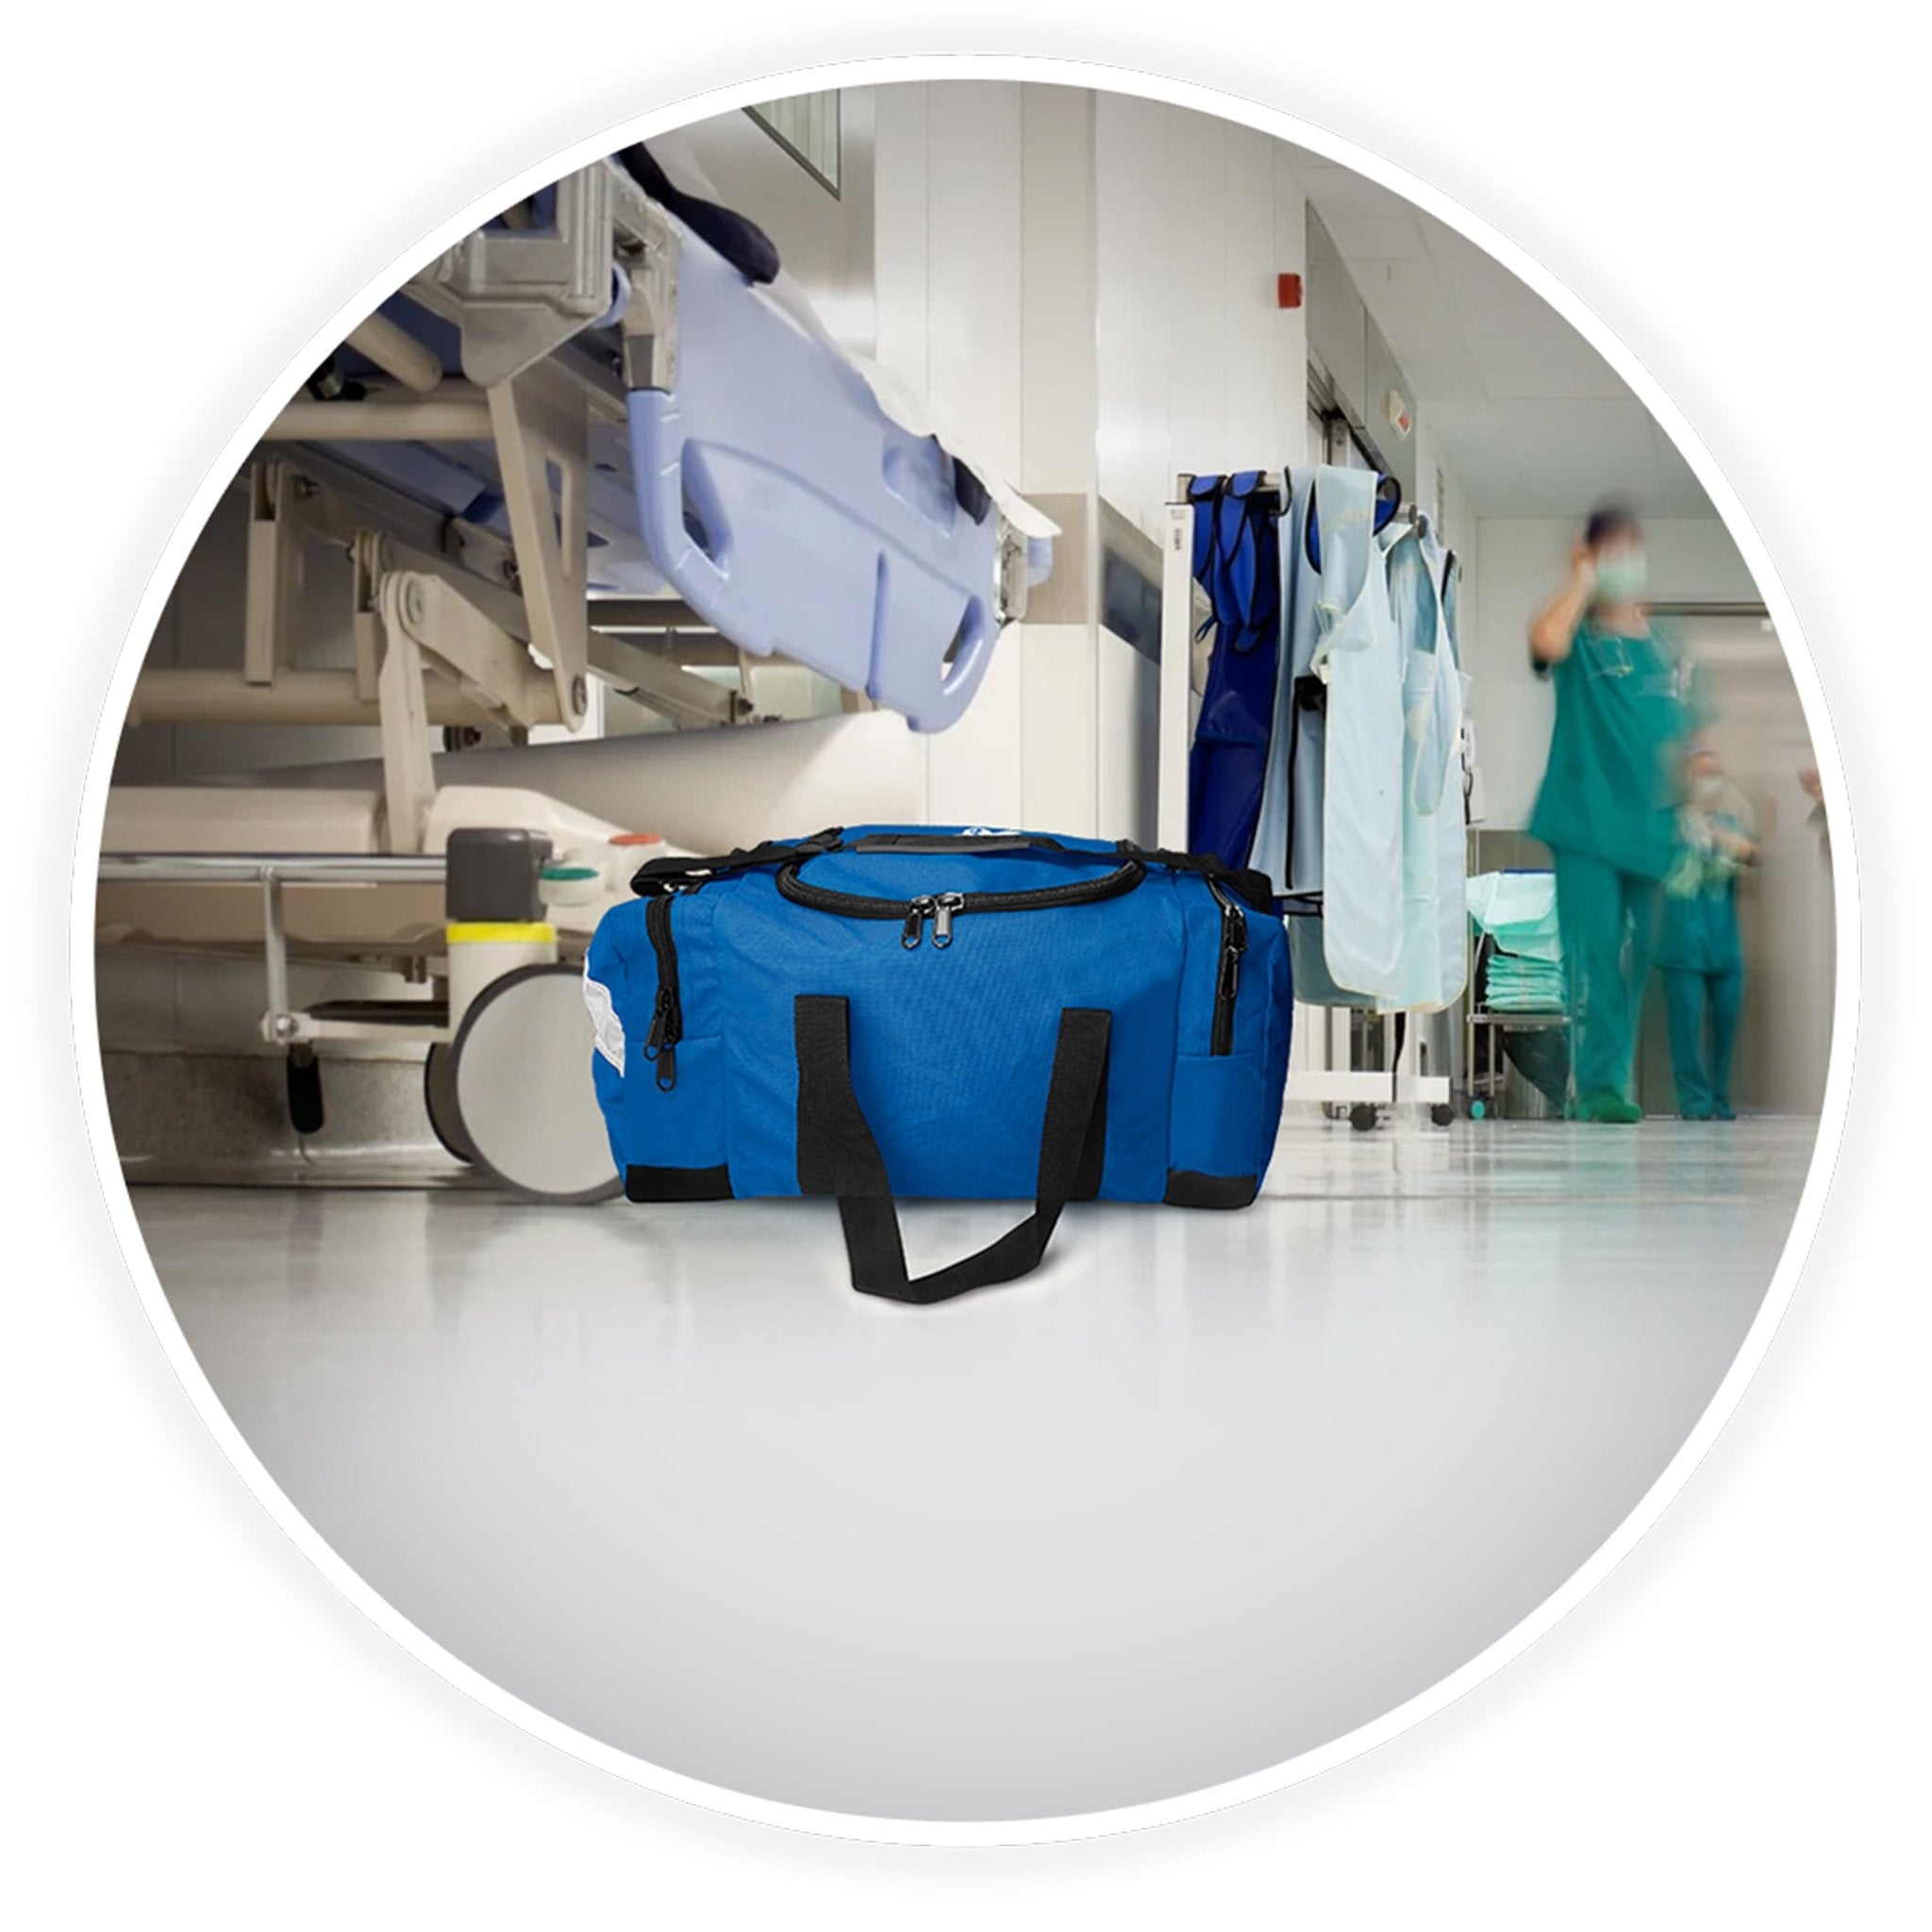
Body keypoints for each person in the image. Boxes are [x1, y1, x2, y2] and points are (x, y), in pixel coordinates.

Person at [1526, 505, 1693, 1122]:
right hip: (1587, 828)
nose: (1628, 562)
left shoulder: (1664, 646)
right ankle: (1596, 1087)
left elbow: (1681, 738)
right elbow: (1544, 641)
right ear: (1591, 556)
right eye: (1613, 552)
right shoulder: (1578, 636)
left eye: (1633, 549)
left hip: (1650, 836)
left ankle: (1607, 1079)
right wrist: (1582, 582)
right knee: (1595, 954)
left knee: (1634, 965)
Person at [1657, 750, 1756, 1118]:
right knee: (1686, 1030)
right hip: (1682, 945)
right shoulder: (1667, 823)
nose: (1708, 781)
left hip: (1725, 946)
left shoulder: (1731, 822)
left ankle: (1720, 1098)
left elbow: (1750, 853)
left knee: (1727, 1025)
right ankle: (1694, 1101)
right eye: (1701, 774)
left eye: (1715, 773)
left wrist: (1722, 837)